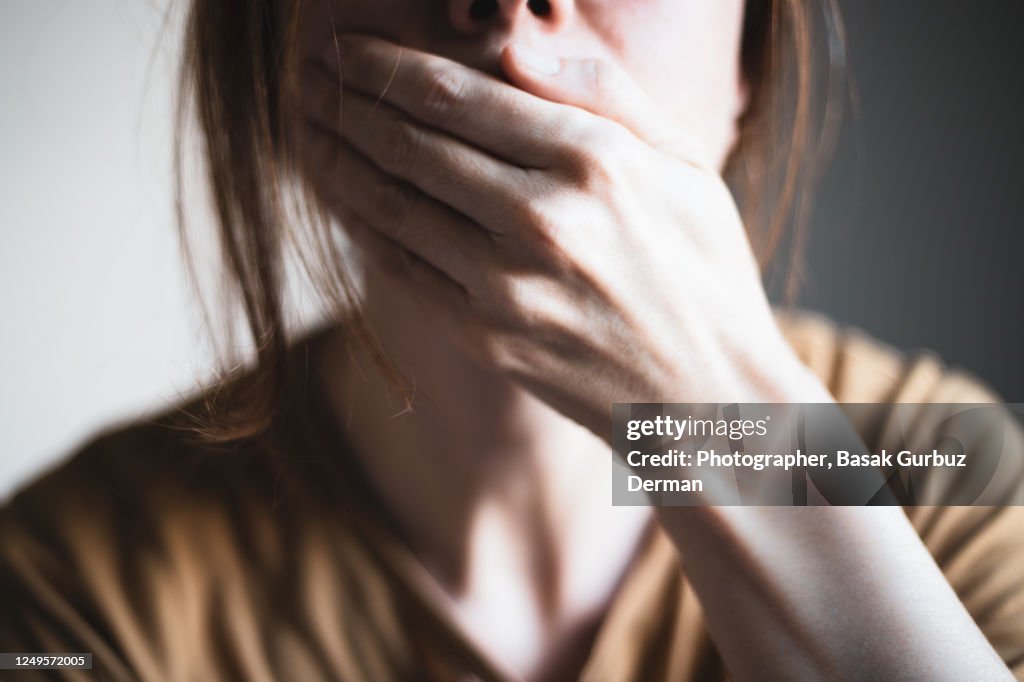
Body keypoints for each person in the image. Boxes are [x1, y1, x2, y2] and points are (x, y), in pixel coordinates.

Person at [2, 0, 1023, 680]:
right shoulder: (73, 581)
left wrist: (720, 420)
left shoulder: (945, 480)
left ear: (752, 57)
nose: (509, 9)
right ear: (275, 42)